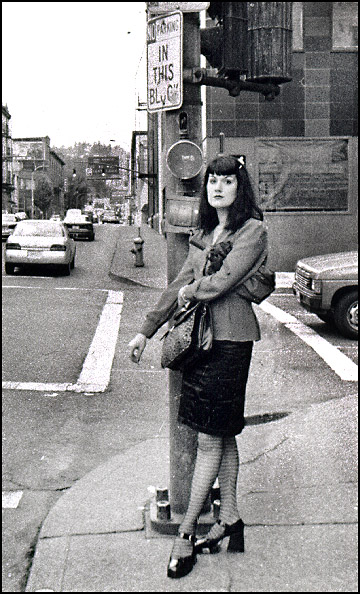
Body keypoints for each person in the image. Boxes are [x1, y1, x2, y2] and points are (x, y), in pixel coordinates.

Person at [128, 155, 268, 579]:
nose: (218, 187)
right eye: (213, 181)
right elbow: (177, 287)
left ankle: (185, 533)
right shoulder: (204, 233)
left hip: (230, 343)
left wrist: (193, 289)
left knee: (210, 440)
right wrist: (145, 330)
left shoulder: (252, 231)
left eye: (227, 181)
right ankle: (231, 521)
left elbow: (223, 280)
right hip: (199, 345)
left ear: (239, 188)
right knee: (221, 436)